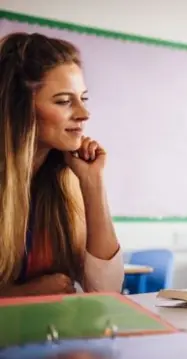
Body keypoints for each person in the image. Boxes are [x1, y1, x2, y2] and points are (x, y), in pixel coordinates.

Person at [0, 33, 123, 297]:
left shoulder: (65, 179)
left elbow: (106, 291)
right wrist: (23, 294)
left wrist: (93, 184)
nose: (84, 113)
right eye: (64, 101)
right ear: (20, 108)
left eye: (83, 98)